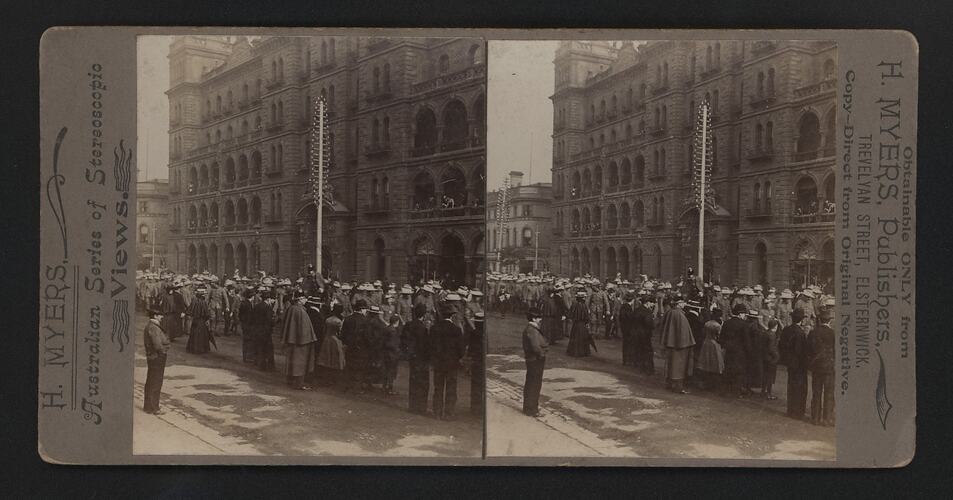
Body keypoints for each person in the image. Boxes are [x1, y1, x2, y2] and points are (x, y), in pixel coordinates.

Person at [430, 302, 465, 420]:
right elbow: (461, 349)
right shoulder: (456, 330)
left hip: (438, 362)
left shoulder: (434, 328)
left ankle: (437, 412)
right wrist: (458, 357)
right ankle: (448, 413)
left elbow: (432, 346)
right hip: (451, 363)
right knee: (451, 388)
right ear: (451, 316)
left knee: (438, 387)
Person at [281, 292, 317, 390]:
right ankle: (299, 384)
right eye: (304, 299)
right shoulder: (300, 311)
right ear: (300, 299)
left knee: (292, 361)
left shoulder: (292, 308)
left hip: (292, 339)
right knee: (300, 363)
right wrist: (311, 339)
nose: (306, 300)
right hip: (301, 341)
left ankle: (290, 380)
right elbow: (305, 329)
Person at [779, 308, 810, 419]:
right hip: (799, 364)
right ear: (801, 320)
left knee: (791, 386)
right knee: (800, 388)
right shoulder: (800, 333)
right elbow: (801, 351)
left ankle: (790, 410)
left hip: (790, 362)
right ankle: (798, 412)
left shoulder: (786, 330)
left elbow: (781, 345)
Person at [660, 299, 696, 394]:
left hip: (671, 343)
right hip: (680, 344)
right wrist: (688, 343)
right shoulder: (680, 315)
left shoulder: (670, 312)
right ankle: (678, 387)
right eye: (683, 302)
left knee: (671, 365)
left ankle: (669, 384)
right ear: (679, 304)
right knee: (679, 367)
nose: (684, 304)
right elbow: (683, 331)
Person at [809, 309, 836, 426]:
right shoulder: (833, 333)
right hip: (829, 366)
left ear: (819, 320)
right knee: (829, 393)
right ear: (829, 320)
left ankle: (815, 418)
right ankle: (827, 419)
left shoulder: (813, 332)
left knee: (816, 392)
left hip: (816, 366)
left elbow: (809, 350)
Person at [720, 304, 752, 397]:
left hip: (729, 351)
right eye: (744, 313)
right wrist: (749, 352)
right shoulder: (744, 325)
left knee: (728, 369)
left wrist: (726, 346)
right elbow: (747, 341)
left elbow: (721, 338)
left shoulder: (726, 323)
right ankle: (736, 392)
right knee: (738, 372)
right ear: (740, 314)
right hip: (740, 352)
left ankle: (725, 390)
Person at [404, 303, 431, 415]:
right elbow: (425, 345)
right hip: (421, 357)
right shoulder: (423, 327)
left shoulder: (408, 325)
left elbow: (404, 341)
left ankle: (412, 406)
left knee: (413, 380)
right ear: (424, 315)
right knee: (423, 382)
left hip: (412, 357)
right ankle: (421, 407)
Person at [142, 308, 170, 414]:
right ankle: (154, 408)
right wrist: (163, 352)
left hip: (153, 357)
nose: (161, 317)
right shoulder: (154, 328)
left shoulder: (151, 326)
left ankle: (148, 406)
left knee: (151, 381)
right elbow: (157, 345)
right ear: (155, 316)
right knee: (156, 382)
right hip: (157, 357)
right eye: (160, 315)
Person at [522, 307, 548, 417]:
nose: (540, 319)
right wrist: (542, 355)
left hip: (533, 359)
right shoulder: (532, 330)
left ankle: (530, 408)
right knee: (534, 385)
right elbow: (535, 347)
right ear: (533, 318)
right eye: (538, 317)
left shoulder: (531, 329)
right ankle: (532, 409)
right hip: (535, 360)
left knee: (532, 383)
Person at [341, 300, 371, 393]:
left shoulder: (348, 318)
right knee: (360, 368)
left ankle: (347, 386)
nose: (366, 311)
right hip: (361, 348)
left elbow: (343, 334)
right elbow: (367, 336)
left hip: (350, 347)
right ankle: (357, 388)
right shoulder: (365, 320)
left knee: (349, 365)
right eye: (365, 309)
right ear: (362, 309)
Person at [316, 303, 346, 387]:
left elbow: (324, 330)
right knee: (335, 360)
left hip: (327, 339)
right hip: (335, 340)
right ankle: (333, 380)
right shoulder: (339, 321)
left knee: (327, 359)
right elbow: (340, 333)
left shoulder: (328, 319)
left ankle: (325, 379)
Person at [695, 320, 724, 391]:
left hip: (706, 343)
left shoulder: (707, 325)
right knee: (715, 363)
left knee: (706, 363)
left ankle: (705, 383)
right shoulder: (716, 326)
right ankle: (713, 384)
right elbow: (718, 335)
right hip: (714, 345)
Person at [252, 287, 276, 371]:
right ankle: (269, 367)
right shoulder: (268, 307)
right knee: (268, 349)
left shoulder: (257, 306)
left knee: (260, 347)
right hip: (266, 331)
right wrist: (275, 322)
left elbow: (253, 318)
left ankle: (260, 365)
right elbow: (270, 320)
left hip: (258, 330)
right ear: (268, 299)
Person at [467, 311, 486, 415]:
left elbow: (470, 350)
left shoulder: (473, 333)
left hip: (476, 362)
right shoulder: (484, 334)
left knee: (475, 386)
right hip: (483, 361)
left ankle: (475, 408)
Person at [566, 291, 596, 357]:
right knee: (583, 338)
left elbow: (570, 314)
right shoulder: (584, 305)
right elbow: (586, 316)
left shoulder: (574, 304)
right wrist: (587, 323)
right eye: (584, 297)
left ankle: (573, 351)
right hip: (582, 324)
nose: (585, 299)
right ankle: (582, 352)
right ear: (582, 298)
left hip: (576, 324)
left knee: (575, 337)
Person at [633, 295, 657, 375]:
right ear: (647, 303)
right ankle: (649, 370)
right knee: (648, 352)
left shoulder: (636, 310)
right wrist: (654, 322)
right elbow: (650, 325)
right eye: (652, 303)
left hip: (636, 334)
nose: (653, 305)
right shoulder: (647, 312)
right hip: (645, 335)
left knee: (639, 351)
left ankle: (640, 368)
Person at [185, 288, 213, 354]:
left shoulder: (194, 300)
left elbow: (190, 310)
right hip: (201, 321)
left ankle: (193, 348)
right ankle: (201, 349)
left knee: (194, 334)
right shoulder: (203, 302)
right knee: (202, 335)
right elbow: (206, 312)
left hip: (195, 320)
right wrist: (207, 319)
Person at [380, 314, 402, 396]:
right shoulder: (393, 331)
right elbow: (393, 343)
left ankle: (384, 387)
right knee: (391, 371)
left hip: (385, 353)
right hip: (392, 354)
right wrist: (398, 350)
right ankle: (389, 388)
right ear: (396, 322)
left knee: (386, 370)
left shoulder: (386, 328)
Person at [618, 292, 637, 366]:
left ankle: (625, 360)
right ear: (632, 300)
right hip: (629, 329)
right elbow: (630, 319)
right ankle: (628, 360)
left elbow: (620, 318)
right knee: (629, 344)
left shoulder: (623, 307)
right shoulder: (628, 308)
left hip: (624, 328)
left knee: (625, 344)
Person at [238, 290, 255, 363]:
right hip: (249, 325)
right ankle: (248, 357)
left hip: (244, 324)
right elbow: (250, 316)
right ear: (251, 296)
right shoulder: (249, 304)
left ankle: (245, 357)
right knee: (249, 341)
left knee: (245, 341)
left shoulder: (243, 303)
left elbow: (240, 315)